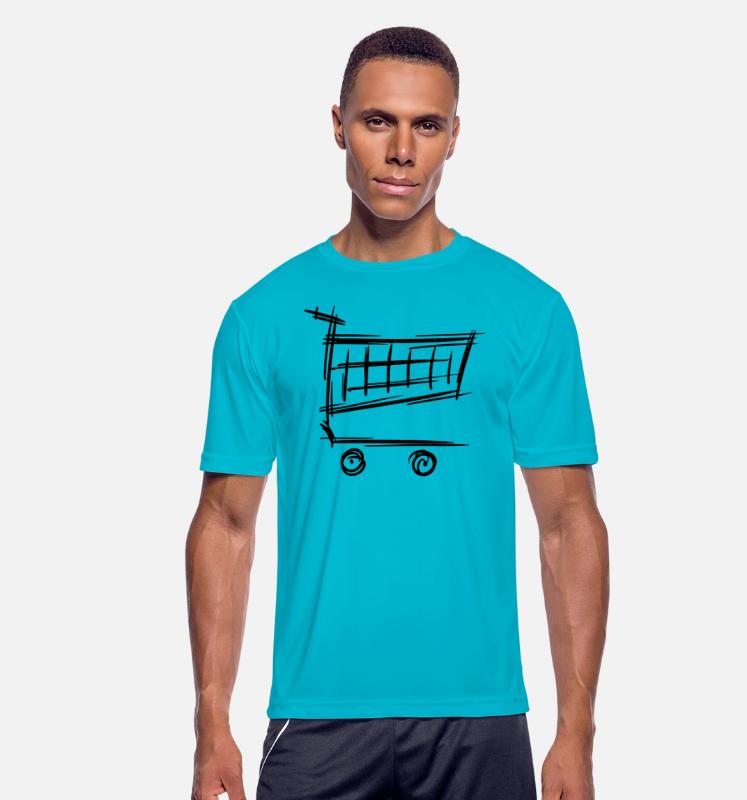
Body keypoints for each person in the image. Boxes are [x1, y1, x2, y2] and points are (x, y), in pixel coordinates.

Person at [187, 25, 609, 800]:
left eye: (428, 125)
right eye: (379, 121)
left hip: (480, 719)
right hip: (316, 717)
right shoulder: (263, 315)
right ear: (339, 125)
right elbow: (226, 522)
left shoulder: (528, 309)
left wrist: (575, 733)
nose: (402, 151)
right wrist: (212, 719)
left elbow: (567, 524)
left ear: (455, 136)